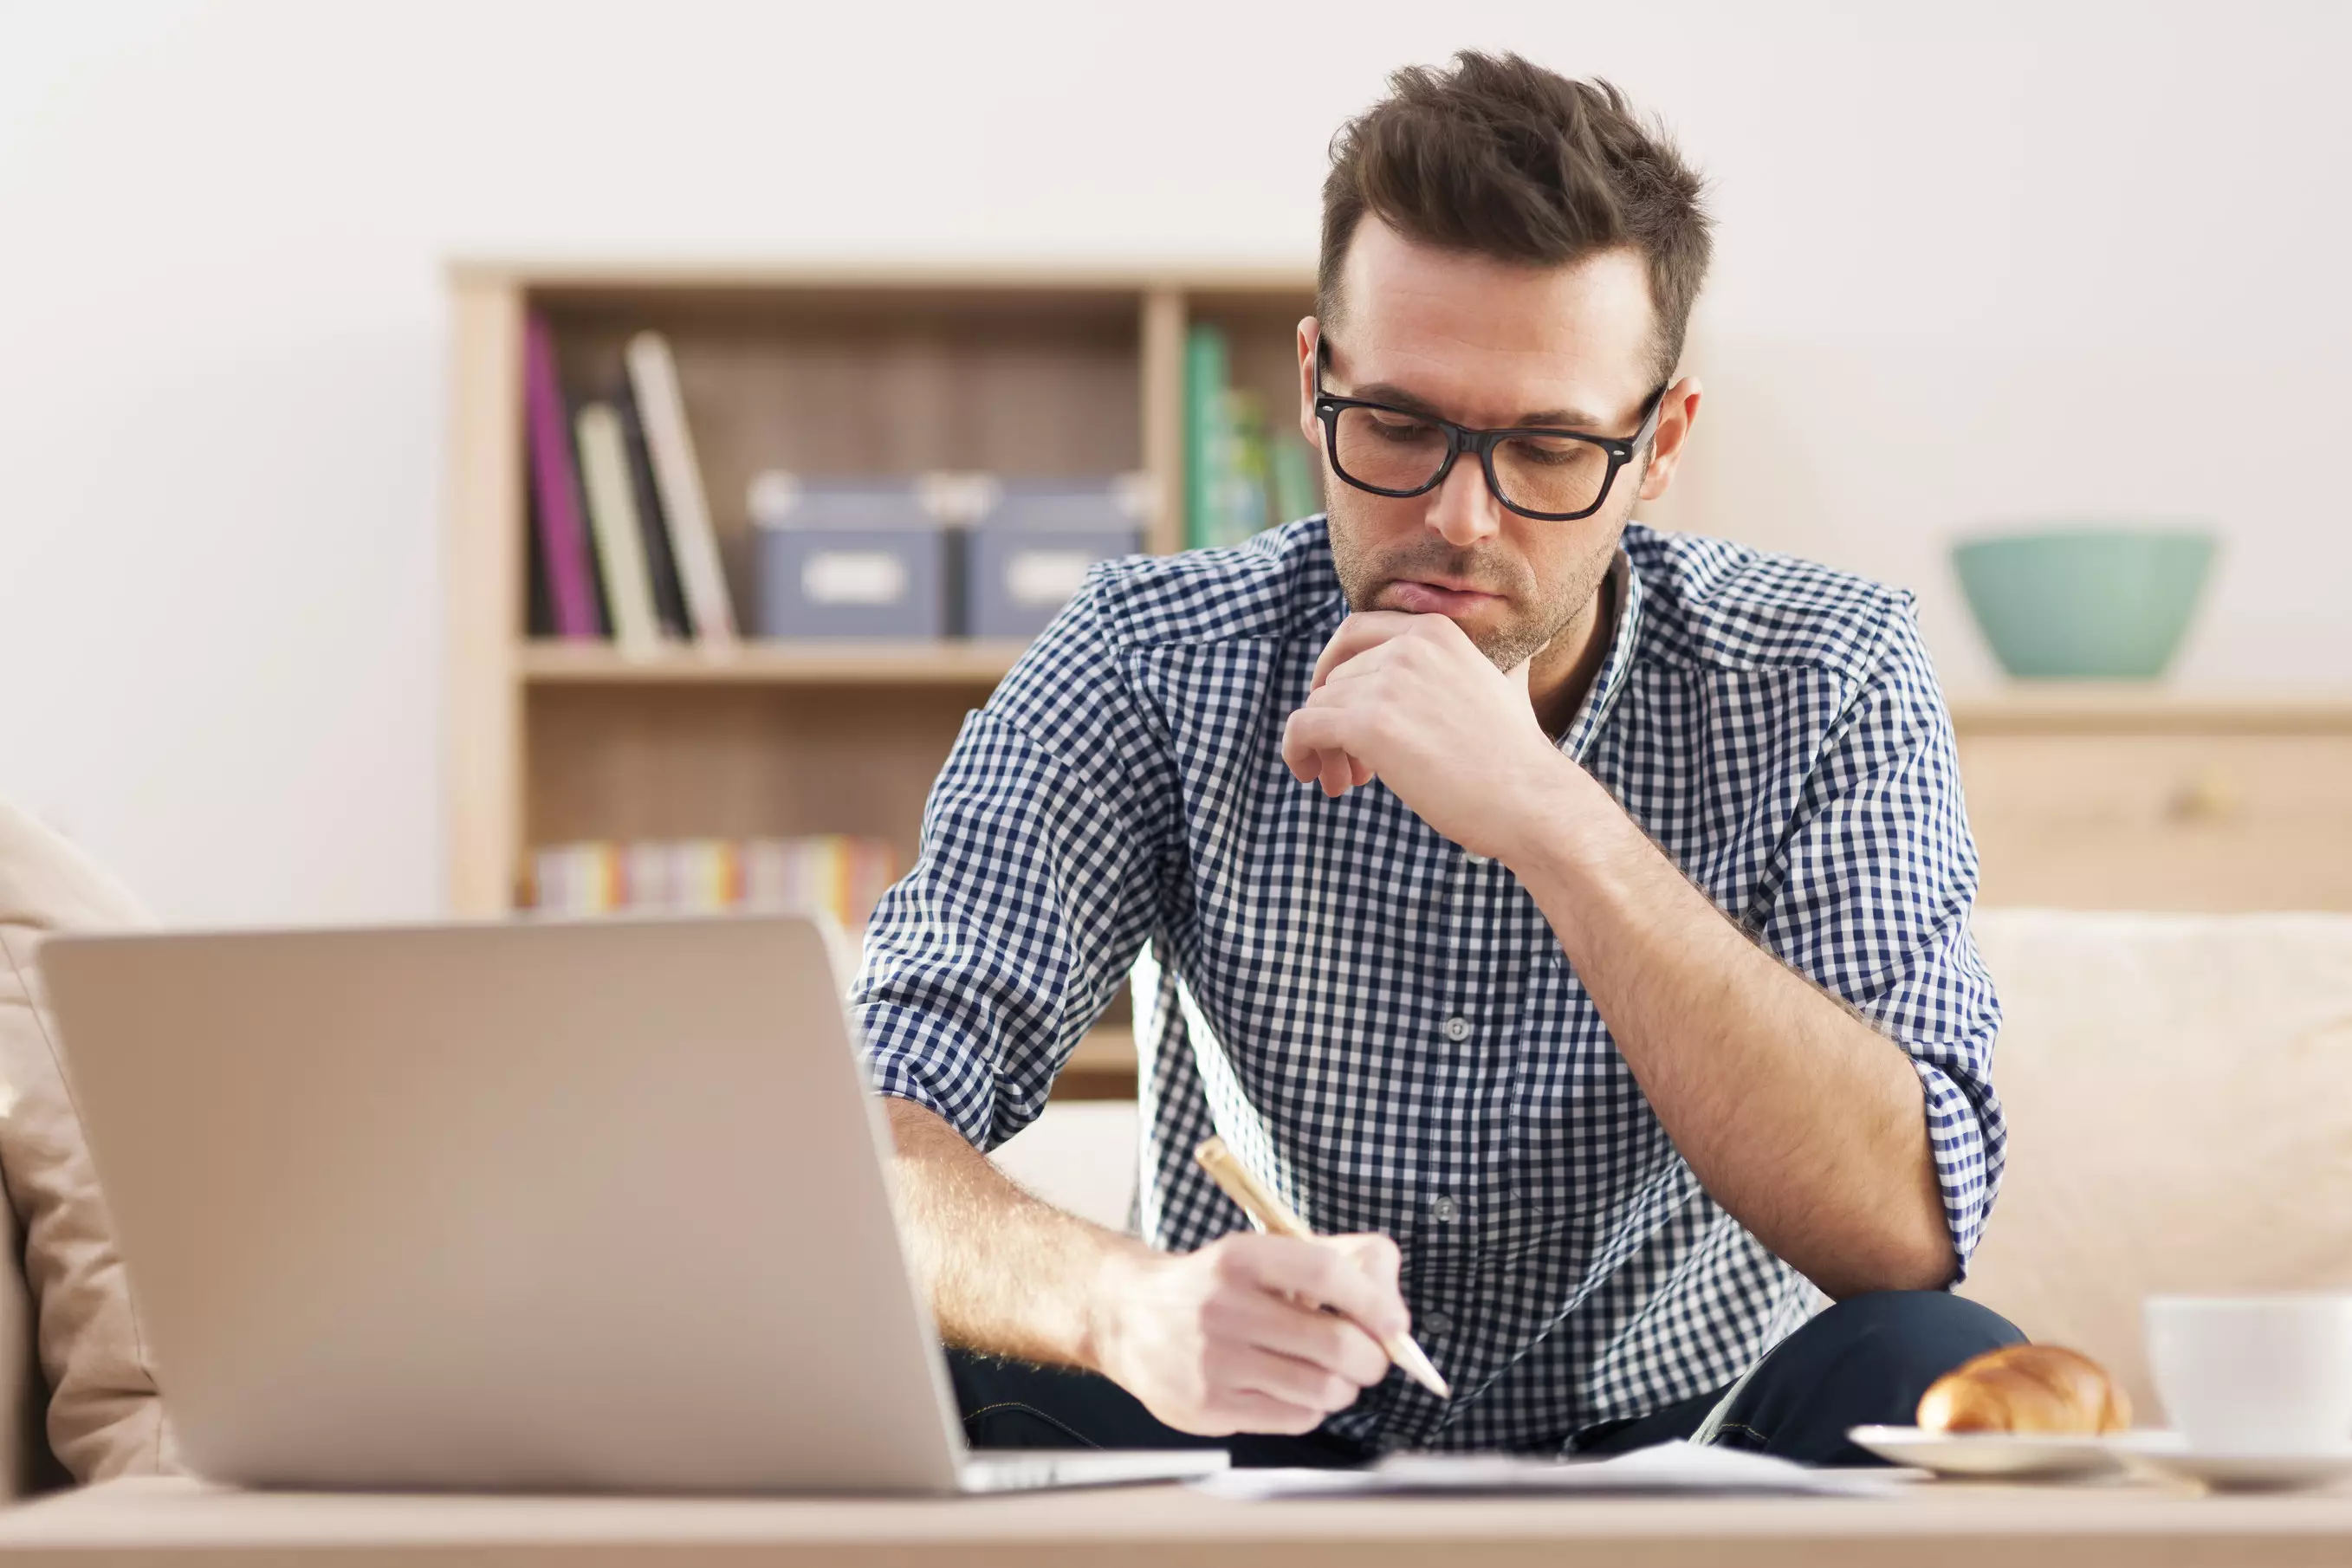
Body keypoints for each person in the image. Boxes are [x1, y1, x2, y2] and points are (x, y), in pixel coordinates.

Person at [852, 51, 2018, 1468]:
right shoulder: (1146, 660)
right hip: (1255, 1436)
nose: (1460, 519)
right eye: (1397, 425)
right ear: (1311, 381)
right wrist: (1120, 1307)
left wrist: (1547, 812)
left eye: (1543, 449)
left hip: (1694, 1447)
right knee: (902, 1361)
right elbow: (861, 1125)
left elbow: (1904, 1228)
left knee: (1933, 1363)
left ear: (1660, 447)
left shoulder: (1827, 672)